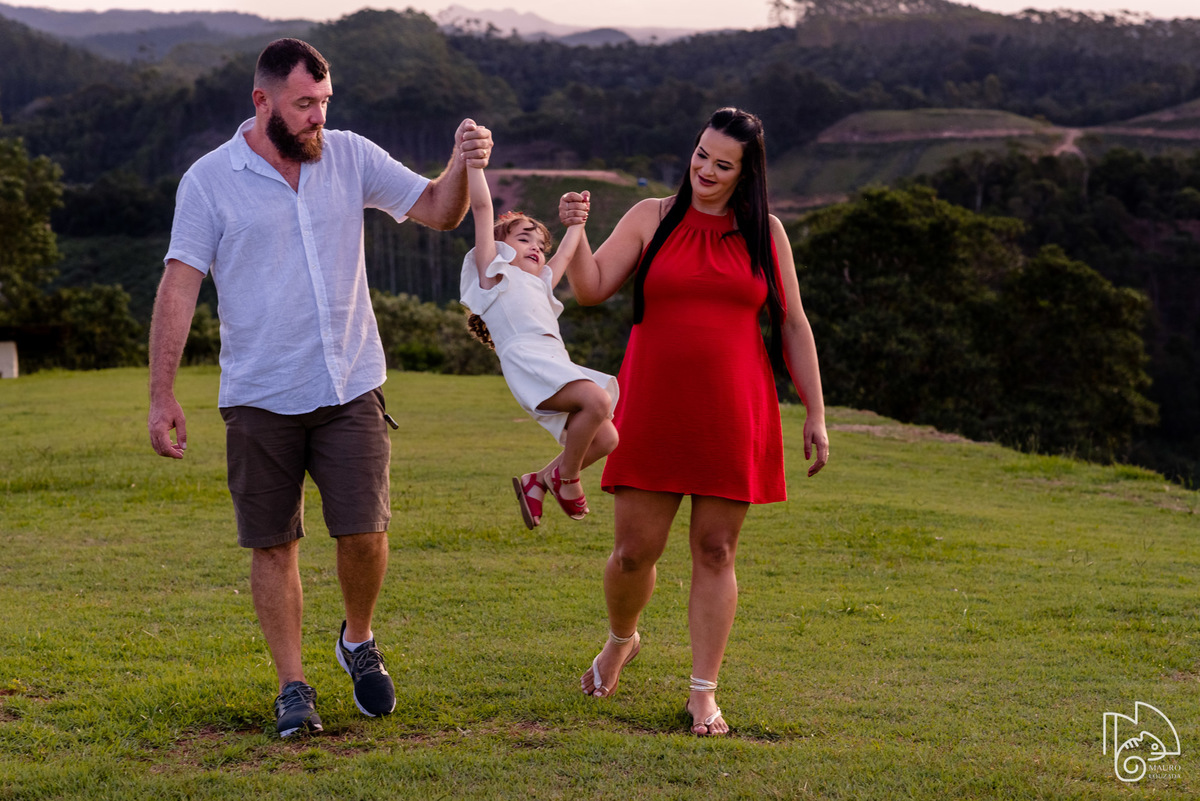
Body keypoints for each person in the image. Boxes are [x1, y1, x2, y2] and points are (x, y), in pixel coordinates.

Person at [146, 38, 493, 738]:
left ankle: (357, 639)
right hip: (258, 394)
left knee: (365, 532)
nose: (317, 118)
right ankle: (293, 684)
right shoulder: (210, 180)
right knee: (273, 544)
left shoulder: (350, 155)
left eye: (325, 102)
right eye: (304, 105)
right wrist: (162, 393)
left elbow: (437, 209)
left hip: (350, 382)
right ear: (263, 101)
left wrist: (461, 165)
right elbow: (179, 283)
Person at [557, 107, 830, 736]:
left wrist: (815, 411)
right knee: (632, 553)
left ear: (746, 172)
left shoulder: (767, 231)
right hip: (654, 403)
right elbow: (593, 287)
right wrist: (573, 233)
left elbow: (792, 323)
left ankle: (703, 693)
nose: (705, 170)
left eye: (722, 164)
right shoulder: (651, 217)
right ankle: (620, 640)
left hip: (735, 409)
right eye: (701, 154)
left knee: (716, 549)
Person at [459, 164, 618, 528]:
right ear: (499, 247)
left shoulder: (540, 282)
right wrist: (475, 165)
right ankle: (568, 480)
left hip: (555, 362)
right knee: (597, 401)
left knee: (607, 437)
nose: (536, 247)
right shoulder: (493, 275)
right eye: (524, 239)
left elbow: (564, 254)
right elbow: (483, 209)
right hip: (528, 362)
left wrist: (578, 222)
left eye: (539, 245)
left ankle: (541, 480)